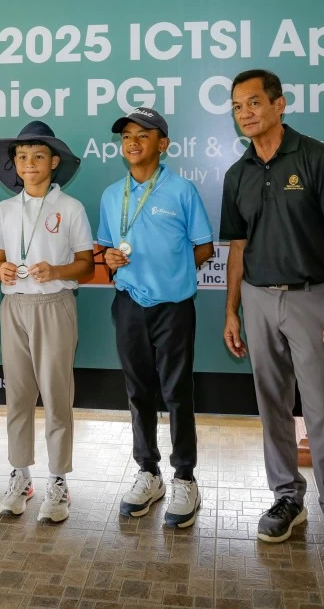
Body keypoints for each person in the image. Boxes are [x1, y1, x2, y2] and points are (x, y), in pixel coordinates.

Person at [220, 68, 324, 571]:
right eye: (238, 106)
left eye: (255, 102)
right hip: (258, 300)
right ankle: (287, 497)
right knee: (272, 406)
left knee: (323, 408)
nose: (246, 113)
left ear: (280, 104)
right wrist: (232, 311)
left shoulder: (316, 158)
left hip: (313, 297)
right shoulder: (236, 174)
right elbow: (237, 248)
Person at [96, 107, 214, 529]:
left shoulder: (182, 190)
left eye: (143, 135)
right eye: (126, 135)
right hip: (129, 304)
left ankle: (185, 477)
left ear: (162, 144)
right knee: (138, 391)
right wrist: (108, 257)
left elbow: (204, 247)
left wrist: (173, 272)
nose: (132, 142)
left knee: (178, 391)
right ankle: (148, 471)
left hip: (174, 306)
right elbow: (106, 249)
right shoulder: (112, 195)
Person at [0, 121, 94, 523]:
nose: (29, 164)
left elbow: (85, 266)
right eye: (22, 157)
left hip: (55, 305)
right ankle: (20, 475)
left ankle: (58, 481)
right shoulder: (3, 210)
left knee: (56, 394)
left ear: (54, 162)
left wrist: (57, 269)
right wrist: (4, 272)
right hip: (14, 309)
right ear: (14, 163)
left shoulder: (71, 208)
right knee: (18, 395)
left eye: (37, 156)